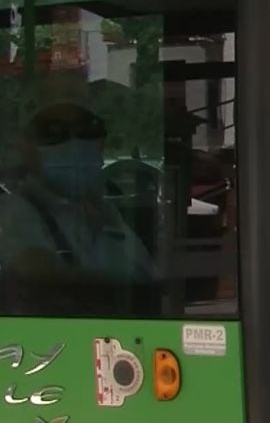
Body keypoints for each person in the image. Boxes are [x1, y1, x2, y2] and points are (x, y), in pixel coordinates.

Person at [0, 85, 155, 313]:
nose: (74, 144)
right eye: (52, 132)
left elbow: (147, 275)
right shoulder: (15, 212)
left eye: (88, 130)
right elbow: (43, 279)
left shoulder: (106, 211)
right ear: (25, 148)